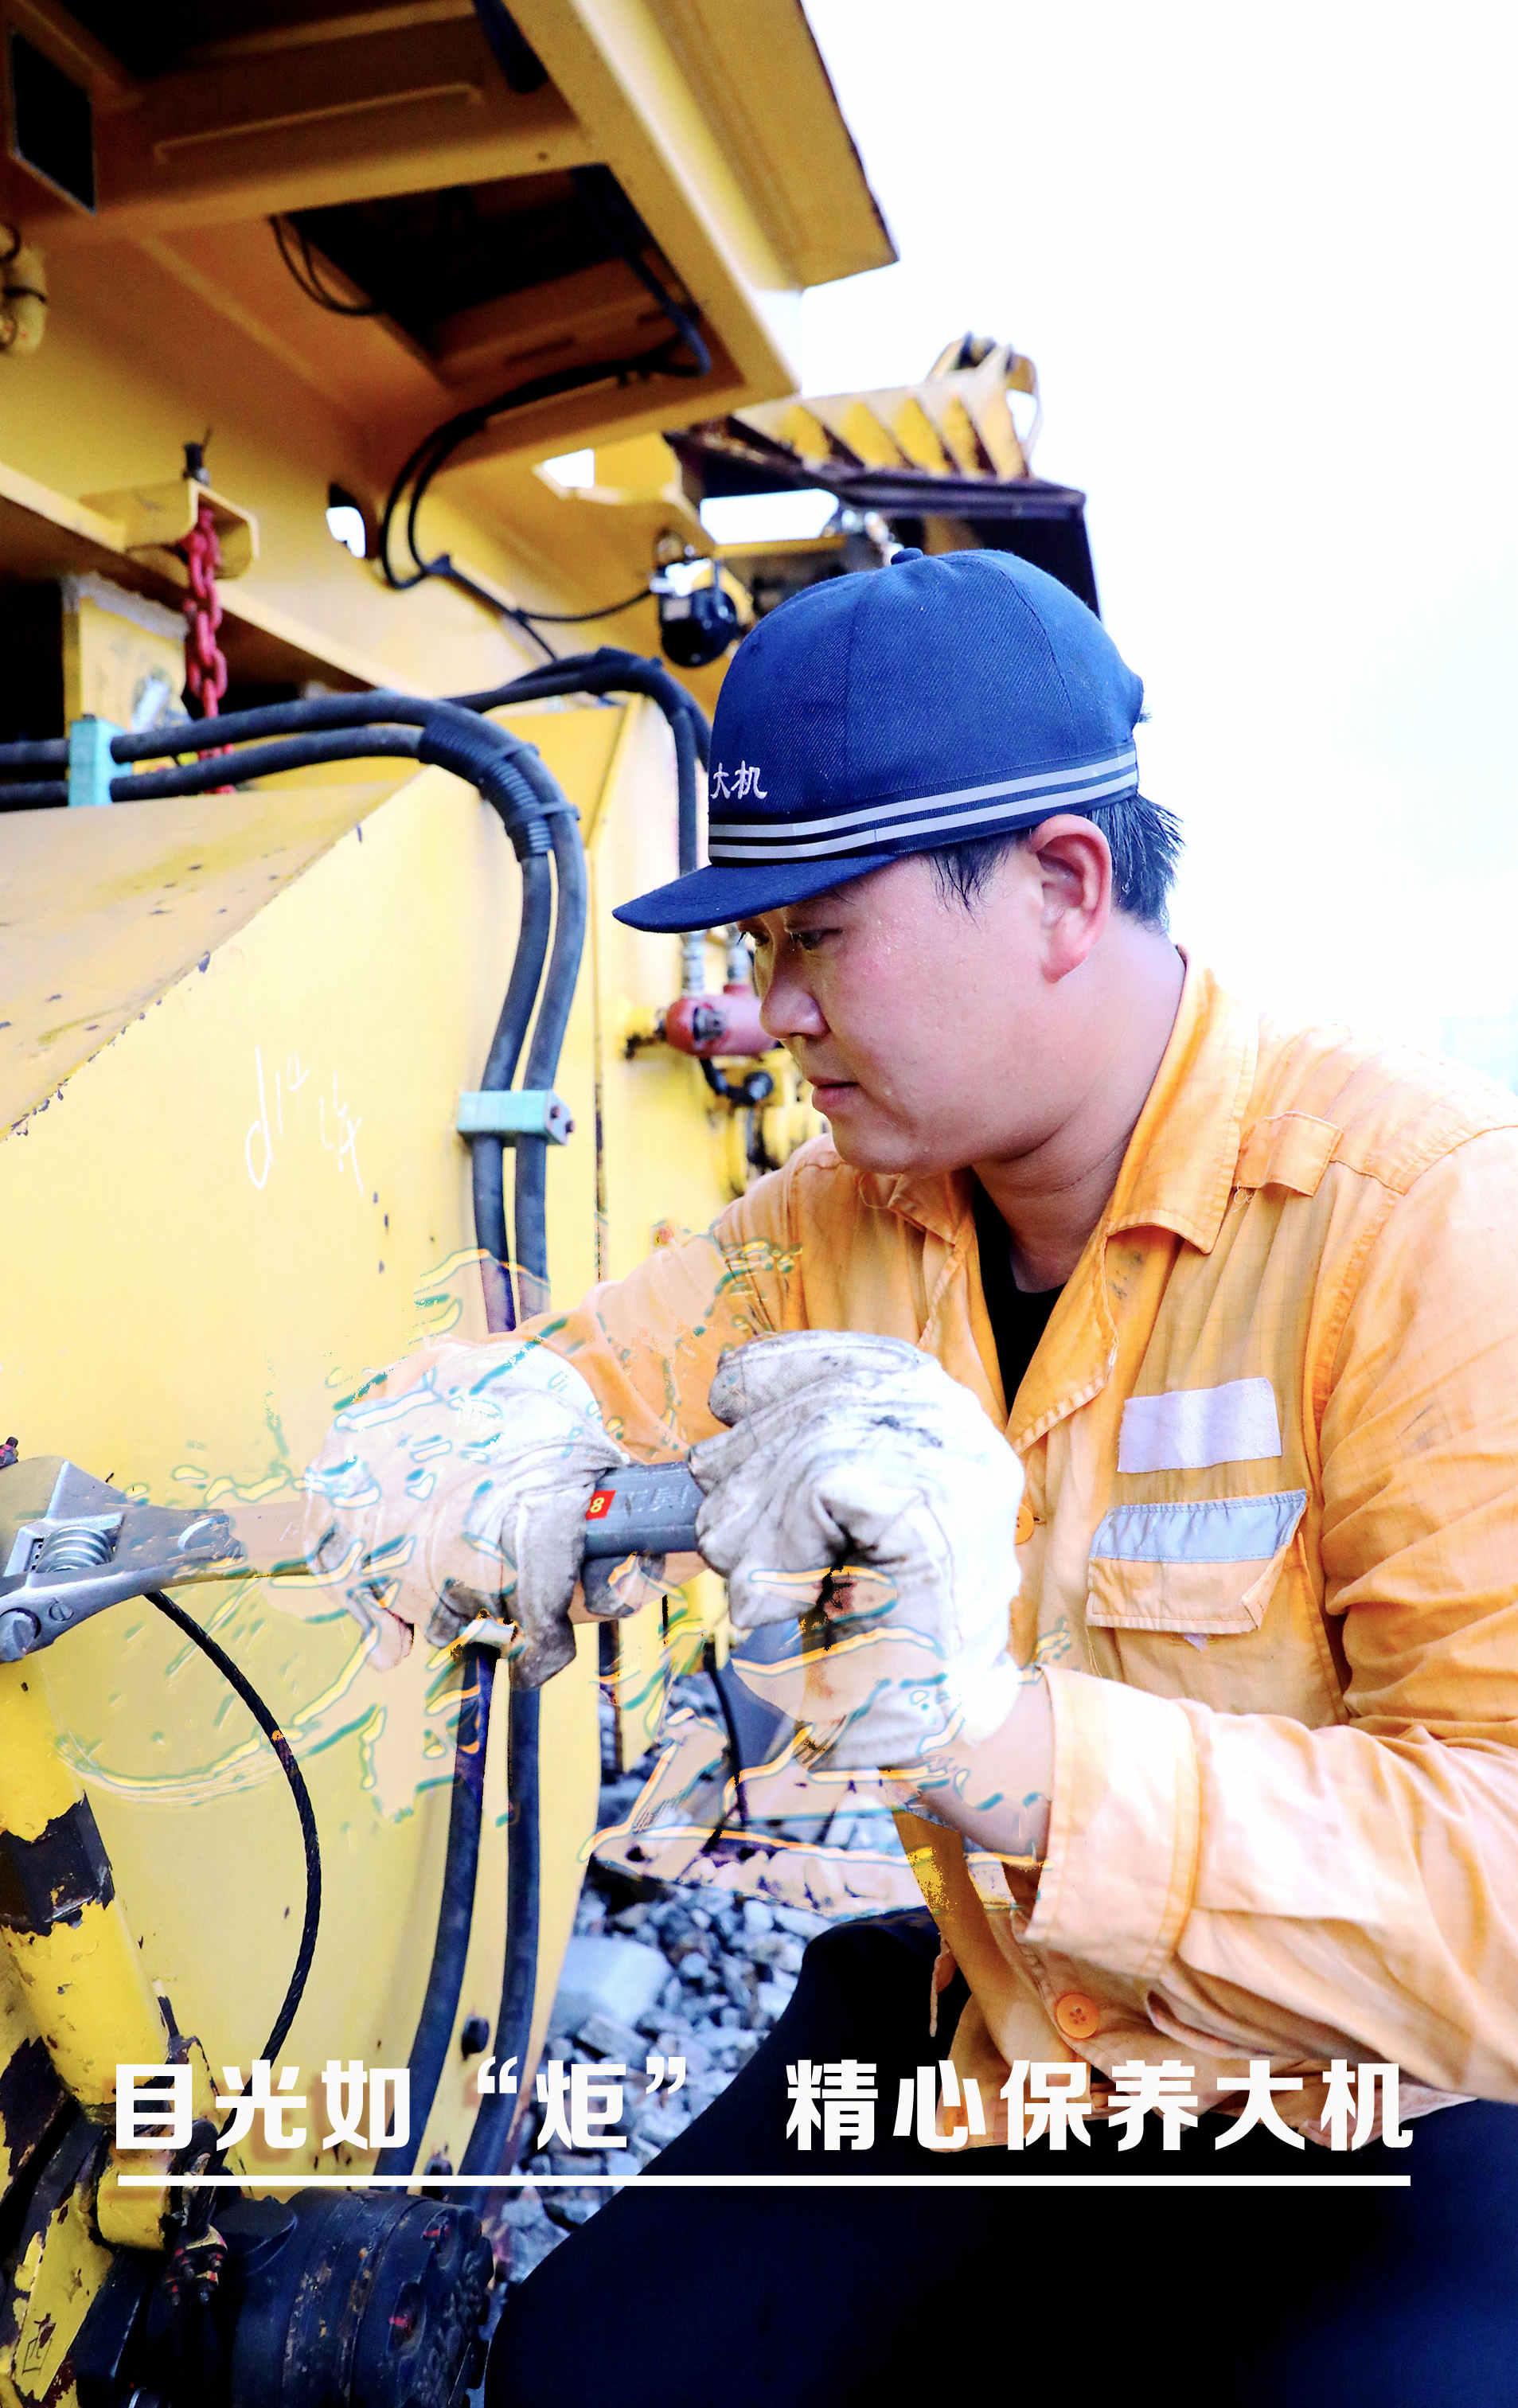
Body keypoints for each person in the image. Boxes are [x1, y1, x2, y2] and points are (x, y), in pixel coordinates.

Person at [305, 549, 1518, 2406]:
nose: (769, 1009)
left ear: (1058, 887)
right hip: (994, 2062)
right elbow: (572, 1390)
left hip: (1363, 2110)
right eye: (757, 945)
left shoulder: (1421, 1228)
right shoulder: (830, 1228)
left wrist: (995, 1741)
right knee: (586, 2373)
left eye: (817, 935)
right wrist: (464, 1443)